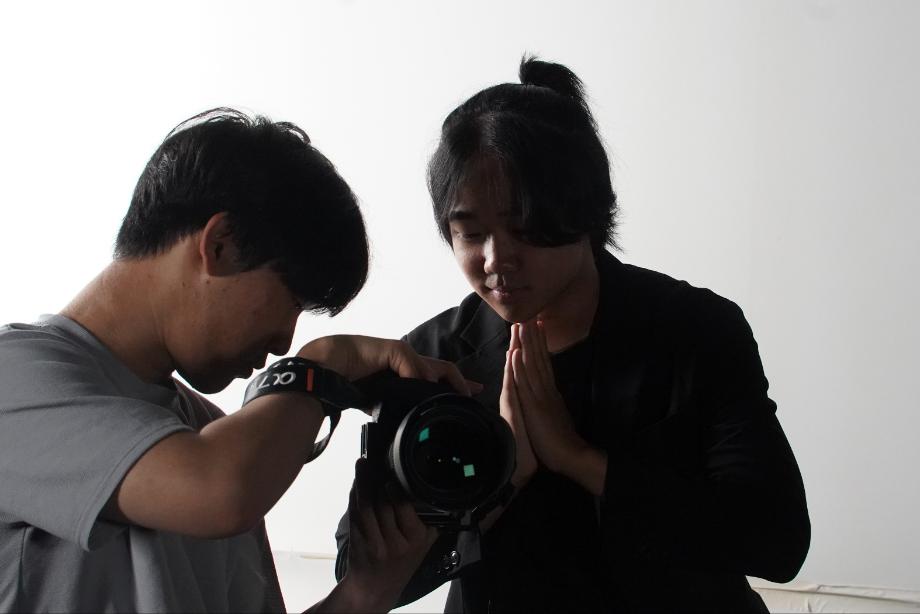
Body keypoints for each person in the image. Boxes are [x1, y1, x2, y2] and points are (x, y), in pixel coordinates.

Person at [336, 57, 811, 612]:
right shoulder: (432, 361)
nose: (496, 259)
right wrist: (504, 479)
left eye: (523, 228)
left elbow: (776, 542)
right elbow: (359, 570)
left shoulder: (695, 331)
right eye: (470, 233)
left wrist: (581, 460)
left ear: (585, 211)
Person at [0, 108, 476, 613]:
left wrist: (366, 591)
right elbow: (218, 493)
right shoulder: (13, 373)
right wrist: (316, 368)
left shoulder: (214, 435)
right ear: (220, 245)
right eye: (291, 301)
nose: (284, 340)